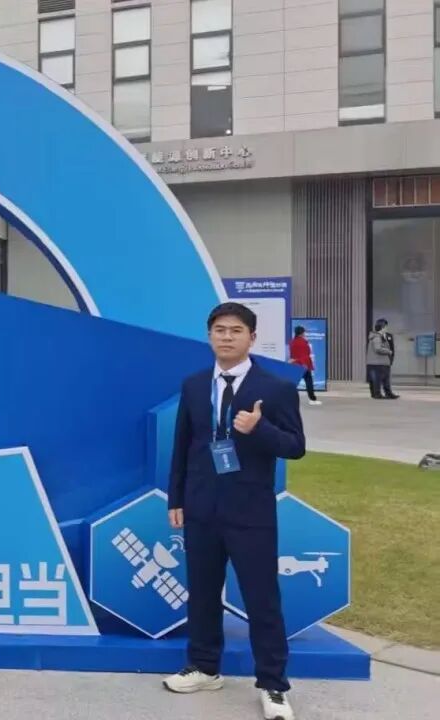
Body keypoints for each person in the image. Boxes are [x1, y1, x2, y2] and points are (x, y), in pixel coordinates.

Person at [164, 302, 305, 720]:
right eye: (220, 330)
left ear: (252, 338)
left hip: (251, 512)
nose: (227, 337)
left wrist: (258, 429)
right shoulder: (194, 385)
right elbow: (183, 446)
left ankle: (273, 685)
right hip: (202, 507)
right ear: (210, 335)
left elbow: (295, 447)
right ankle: (204, 667)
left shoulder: (275, 388)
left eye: (236, 330)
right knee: (203, 593)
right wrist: (177, 498)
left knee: (262, 599)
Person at [288, 326, 320, 406]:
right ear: (302, 333)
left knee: (292, 383)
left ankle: (288, 399)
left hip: (294, 365)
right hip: (303, 365)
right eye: (304, 332)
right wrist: (306, 364)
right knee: (309, 382)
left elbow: (292, 354)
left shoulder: (292, 342)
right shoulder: (304, 342)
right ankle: (312, 399)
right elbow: (305, 355)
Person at [366, 320, 398, 400]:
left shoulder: (379, 336)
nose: (387, 328)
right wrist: (388, 351)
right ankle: (378, 394)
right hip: (378, 362)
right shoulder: (377, 337)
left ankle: (386, 393)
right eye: (386, 327)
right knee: (377, 379)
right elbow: (378, 349)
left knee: (384, 379)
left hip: (381, 362)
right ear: (382, 327)